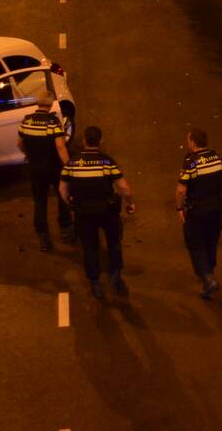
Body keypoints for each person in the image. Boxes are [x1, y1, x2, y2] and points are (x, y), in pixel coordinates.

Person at [59, 126, 135, 299]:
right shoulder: (107, 161)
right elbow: (123, 187)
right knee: (114, 243)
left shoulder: (72, 163)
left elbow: (63, 188)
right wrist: (130, 203)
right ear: (100, 141)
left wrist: (70, 205)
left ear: (84, 141)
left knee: (89, 246)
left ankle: (95, 283)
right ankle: (115, 274)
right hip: (107, 210)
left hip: (83, 212)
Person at [175, 128, 222, 300]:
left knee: (195, 243)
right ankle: (210, 273)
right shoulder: (219, 158)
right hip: (217, 207)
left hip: (197, 209)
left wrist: (179, 208)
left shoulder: (190, 163)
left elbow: (181, 191)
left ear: (192, 142)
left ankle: (207, 278)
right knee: (211, 240)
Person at [17, 90, 74, 251]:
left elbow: (19, 144)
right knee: (63, 197)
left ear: (38, 103)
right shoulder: (52, 122)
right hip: (53, 168)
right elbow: (60, 146)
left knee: (40, 203)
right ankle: (66, 231)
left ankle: (44, 239)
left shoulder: (26, 121)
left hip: (35, 169)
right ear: (49, 105)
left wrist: (29, 154)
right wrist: (68, 166)